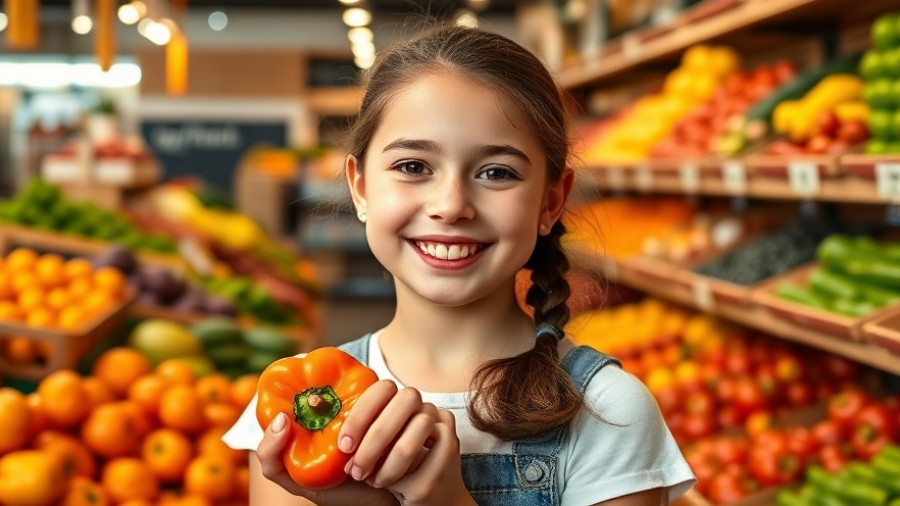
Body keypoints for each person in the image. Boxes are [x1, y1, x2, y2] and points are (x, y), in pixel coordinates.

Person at [223, 23, 696, 506]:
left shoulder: (609, 412)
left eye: (496, 172)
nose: (450, 205)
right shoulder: (290, 410)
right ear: (360, 187)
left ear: (551, 202)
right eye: (413, 166)